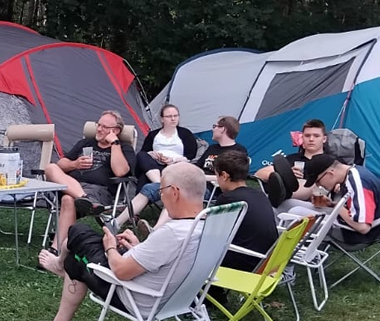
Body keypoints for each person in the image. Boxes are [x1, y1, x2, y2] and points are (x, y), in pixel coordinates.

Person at [16, 163, 209, 321]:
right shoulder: (209, 226)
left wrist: (110, 248)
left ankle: (57, 316)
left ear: (174, 192)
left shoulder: (172, 232)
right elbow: (172, 258)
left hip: (137, 298)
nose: (161, 196)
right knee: (76, 258)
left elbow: (122, 271)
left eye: (162, 190)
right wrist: (139, 247)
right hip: (178, 299)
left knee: (79, 233)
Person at [116, 116, 247, 231]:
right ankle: (116, 223)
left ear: (223, 129)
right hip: (192, 181)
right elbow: (197, 167)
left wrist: (202, 177)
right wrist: (177, 163)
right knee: (149, 188)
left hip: (210, 189)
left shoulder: (238, 151)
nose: (213, 129)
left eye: (215, 126)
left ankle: (156, 230)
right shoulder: (212, 148)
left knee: (175, 191)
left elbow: (232, 178)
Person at [42, 110, 134, 251]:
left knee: (68, 199)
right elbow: (61, 164)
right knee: (50, 167)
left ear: (115, 130)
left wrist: (115, 144)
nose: (98, 128)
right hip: (76, 187)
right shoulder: (85, 143)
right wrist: (75, 164)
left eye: (104, 127)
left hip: (100, 191)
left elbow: (121, 171)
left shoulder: (123, 148)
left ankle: (56, 249)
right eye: (98, 124)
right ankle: (85, 199)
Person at [211, 151, 279, 273]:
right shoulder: (259, 195)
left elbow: (212, 235)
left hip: (243, 262)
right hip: (265, 261)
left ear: (224, 176)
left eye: (217, 176)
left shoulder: (228, 199)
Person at [310, 160, 380, 244]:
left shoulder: (358, 181)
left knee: (297, 213)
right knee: (296, 205)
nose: (318, 185)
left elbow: (363, 227)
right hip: (347, 224)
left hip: (354, 235)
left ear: (331, 173)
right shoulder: (353, 171)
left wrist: (337, 207)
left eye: (318, 181)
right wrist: (332, 204)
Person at [136, 103, 197, 184]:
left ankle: (158, 185)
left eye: (175, 116)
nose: (173, 119)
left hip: (176, 165)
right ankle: (158, 183)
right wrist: (152, 154)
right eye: (169, 116)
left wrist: (173, 160)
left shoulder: (185, 133)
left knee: (145, 178)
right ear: (162, 119)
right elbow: (144, 152)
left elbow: (191, 156)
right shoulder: (153, 135)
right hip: (155, 165)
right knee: (141, 156)